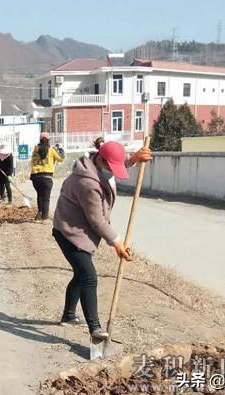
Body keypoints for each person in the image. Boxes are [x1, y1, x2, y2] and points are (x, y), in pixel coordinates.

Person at [52, 139, 152, 342]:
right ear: (101, 161)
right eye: (112, 167)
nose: (114, 171)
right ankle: (96, 330)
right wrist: (117, 243)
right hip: (69, 233)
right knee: (89, 276)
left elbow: (115, 163)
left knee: (81, 275)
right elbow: (96, 219)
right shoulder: (87, 183)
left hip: (78, 229)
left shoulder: (95, 164)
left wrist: (133, 159)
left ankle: (69, 315)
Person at [30, 132, 64, 221]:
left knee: (40, 195)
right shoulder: (51, 150)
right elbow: (61, 158)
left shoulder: (35, 149)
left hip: (35, 177)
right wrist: (60, 148)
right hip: (47, 177)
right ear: (48, 140)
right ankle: (44, 219)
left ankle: (40, 212)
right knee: (46, 199)